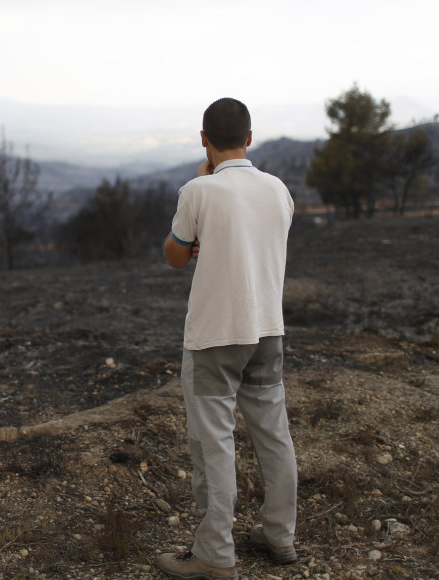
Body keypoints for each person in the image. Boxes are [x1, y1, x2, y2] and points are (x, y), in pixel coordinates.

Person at [157, 98, 298, 580]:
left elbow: (176, 257)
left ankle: (215, 554)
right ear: (250, 138)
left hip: (215, 335)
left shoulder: (197, 191)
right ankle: (280, 534)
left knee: (214, 444)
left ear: (204, 140)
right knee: (274, 435)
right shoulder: (278, 190)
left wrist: (204, 186)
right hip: (267, 330)